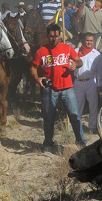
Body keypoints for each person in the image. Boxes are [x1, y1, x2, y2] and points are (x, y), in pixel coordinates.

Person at [30, 24, 86, 152]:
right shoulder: (41, 51)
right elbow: (33, 67)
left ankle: (80, 141)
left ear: (60, 35)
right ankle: (48, 143)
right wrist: (37, 79)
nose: (54, 39)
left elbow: (79, 61)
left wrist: (75, 65)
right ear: (47, 36)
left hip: (67, 88)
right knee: (49, 117)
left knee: (75, 115)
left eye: (56, 36)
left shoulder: (67, 48)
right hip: (50, 89)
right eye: (51, 36)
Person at [73, 33, 102, 134]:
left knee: (93, 105)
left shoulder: (97, 55)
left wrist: (99, 84)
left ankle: (92, 126)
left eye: (91, 41)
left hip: (91, 82)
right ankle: (74, 126)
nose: (89, 42)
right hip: (78, 82)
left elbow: (100, 71)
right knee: (77, 105)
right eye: (87, 40)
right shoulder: (75, 52)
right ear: (83, 41)